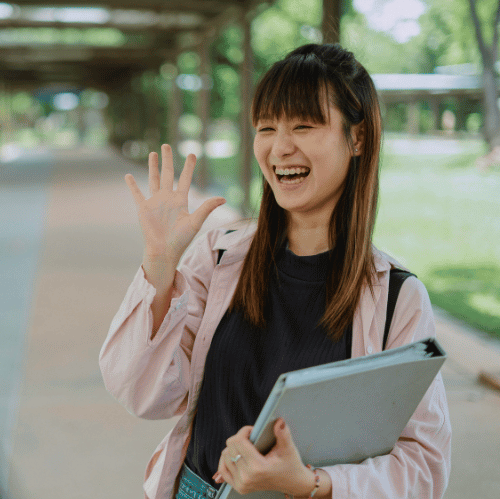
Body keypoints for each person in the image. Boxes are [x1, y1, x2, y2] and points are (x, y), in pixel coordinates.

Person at [100, 44, 451, 499]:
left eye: (304, 126)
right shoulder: (220, 256)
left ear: (357, 138)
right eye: (266, 127)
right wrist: (159, 268)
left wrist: (312, 485)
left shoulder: (396, 298)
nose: (280, 147)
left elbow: (423, 465)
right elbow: (143, 394)